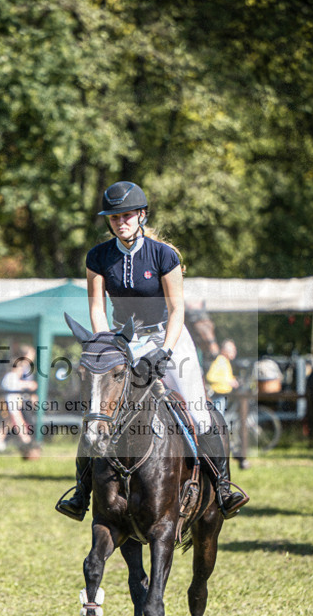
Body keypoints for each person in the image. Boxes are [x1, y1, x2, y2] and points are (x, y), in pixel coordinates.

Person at [55, 180, 249, 521]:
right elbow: (98, 309)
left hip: (167, 336)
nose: (120, 222)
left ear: (141, 215)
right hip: (122, 340)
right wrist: (105, 346)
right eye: (114, 217)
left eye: (127, 215)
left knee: (197, 408)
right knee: (99, 414)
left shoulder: (164, 255)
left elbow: (177, 311)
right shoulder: (98, 257)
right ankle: (81, 493)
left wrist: (166, 352)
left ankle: (222, 487)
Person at [0, 345, 40, 458]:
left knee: (8, 423)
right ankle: (26, 441)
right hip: (10, 405)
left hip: (12, 404)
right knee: (18, 422)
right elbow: (17, 386)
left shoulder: (12, 377)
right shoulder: (11, 377)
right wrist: (29, 385)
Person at [205, 339, 239, 415]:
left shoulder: (225, 361)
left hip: (223, 395)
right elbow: (210, 377)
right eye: (232, 350)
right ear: (224, 350)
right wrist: (228, 382)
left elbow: (225, 376)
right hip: (218, 395)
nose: (234, 352)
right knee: (219, 419)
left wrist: (233, 380)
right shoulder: (220, 361)